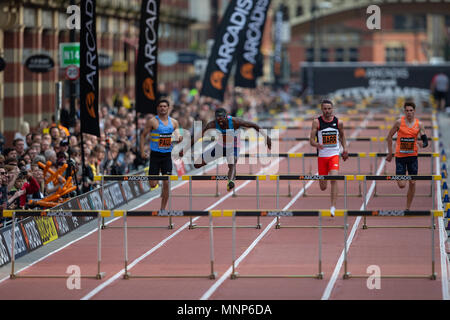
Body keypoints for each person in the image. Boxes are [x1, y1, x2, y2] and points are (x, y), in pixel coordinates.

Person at [180, 107, 271, 192]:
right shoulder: (212, 124)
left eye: (221, 119)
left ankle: (230, 182)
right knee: (197, 164)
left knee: (232, 164)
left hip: (233, 147)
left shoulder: (235, 122)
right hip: (220, 147)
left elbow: (254, 125)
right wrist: (184, 150)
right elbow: (197, 137)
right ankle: (227, 168)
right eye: (217, 120)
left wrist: (267, 137)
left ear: (226, 117)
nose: (220, 122)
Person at [140, 98, 182, 210]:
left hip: (167, 156)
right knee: (153, 184)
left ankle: (162, 209)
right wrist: (142, 151)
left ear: (168, 108)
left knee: (167, 183)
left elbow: (179, 137)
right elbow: (143, 136)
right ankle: (160, 181)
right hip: (155, 155)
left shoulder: (174, 122)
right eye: (161, 106)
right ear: (157, 108)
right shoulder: (153, 121)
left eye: (165, 106)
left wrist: (179, 138)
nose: (163, 108)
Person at [386, 101, 429, 211]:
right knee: (401, 185)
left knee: (413, 182)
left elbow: (425, 141)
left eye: (411, 110)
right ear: (404, 111)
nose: (409, 113)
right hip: (400, 157)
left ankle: (407, 207)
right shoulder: (399, 123)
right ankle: (401, 176)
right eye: (407, 110)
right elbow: (389, 136)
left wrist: (422, 144)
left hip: (413, 157)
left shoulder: (419, 124)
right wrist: (390, 153)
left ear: (414, 111)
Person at [309, 99, 348, 216]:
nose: (327, 111)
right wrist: (317, 144)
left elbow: (342, 137)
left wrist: (345, 149)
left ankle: (333, 207)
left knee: (334, 179)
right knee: (323, 187)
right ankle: (322, 181)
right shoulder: (316, 122)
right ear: (322, 109)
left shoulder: (338, 122)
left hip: (334, 155)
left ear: (332, 109)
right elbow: (311, 140)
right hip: (322, 157)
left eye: (329, 109)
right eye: (325, 109)